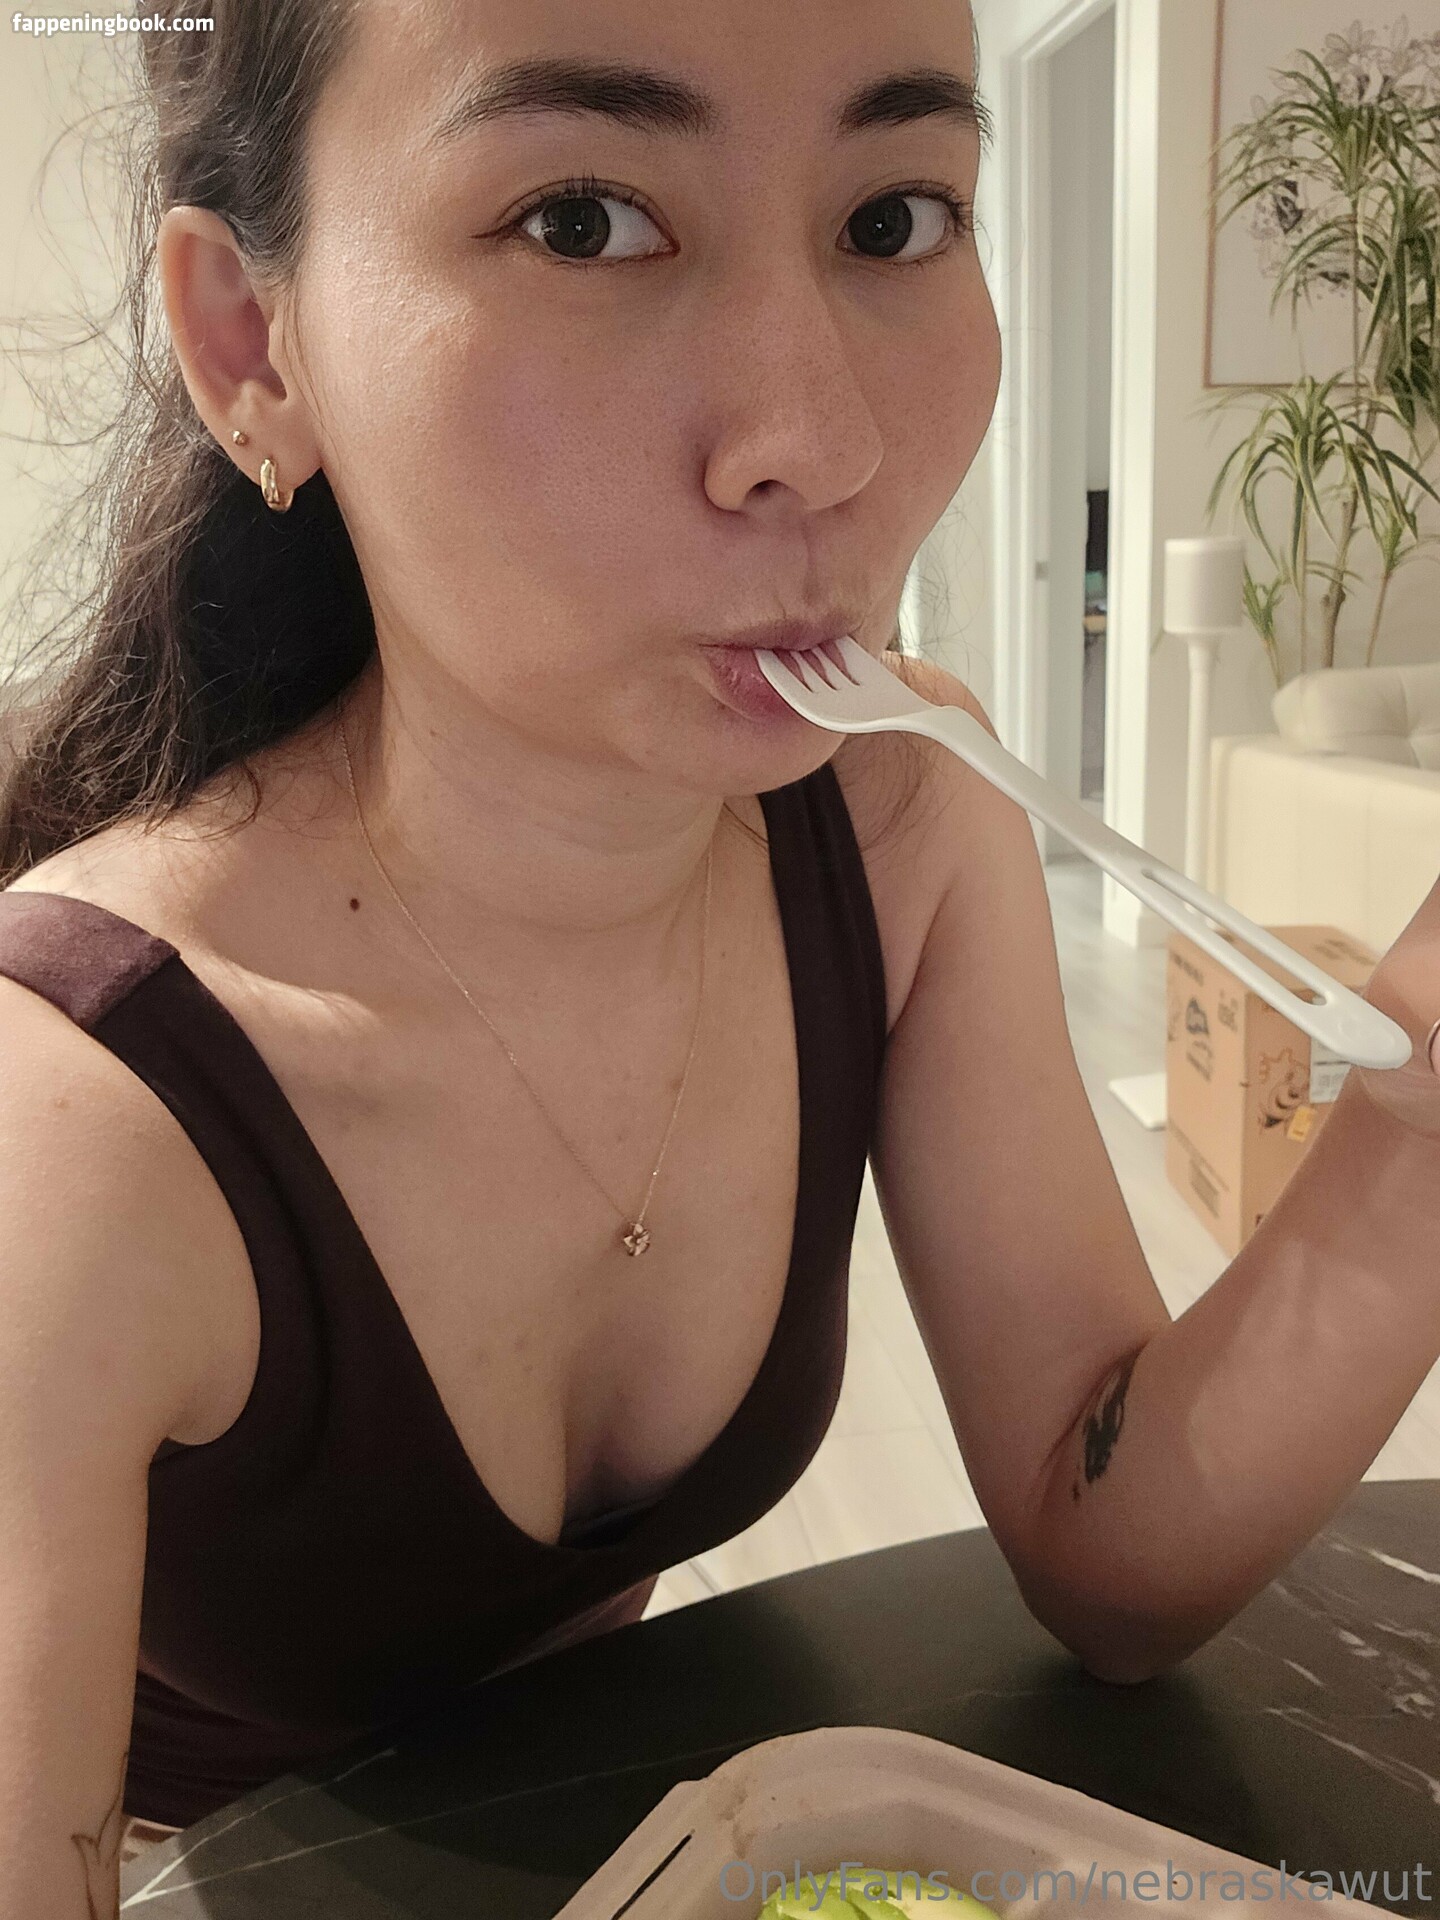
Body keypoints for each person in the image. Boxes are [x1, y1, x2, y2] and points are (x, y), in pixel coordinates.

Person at [3, 0, 1440, 1910]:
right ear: (256, 345)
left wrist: (1416, 1110)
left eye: (895, 219)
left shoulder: (902, 823)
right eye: (583, 221)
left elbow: (1111, 1554)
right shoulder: (78, 1119)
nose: (822, 444)